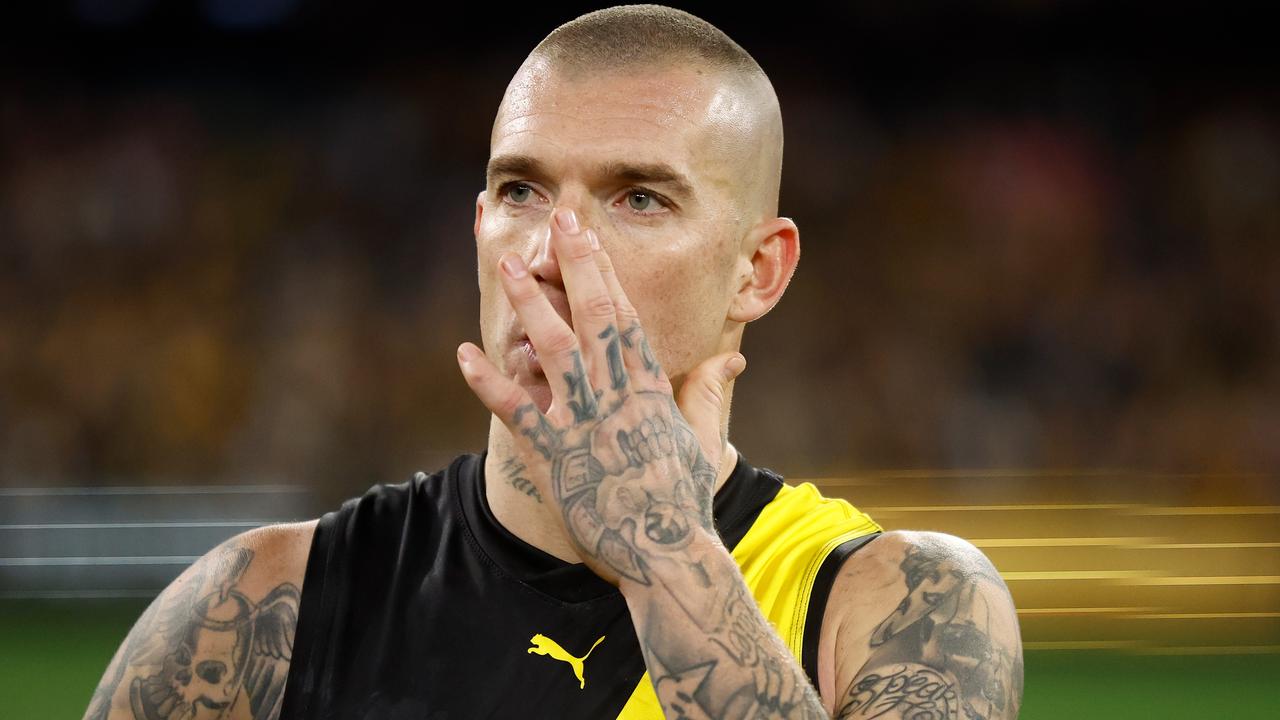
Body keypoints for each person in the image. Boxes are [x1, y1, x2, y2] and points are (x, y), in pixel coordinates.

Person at [85, 5, 1023, 719]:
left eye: (640, 199)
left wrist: (668, 556)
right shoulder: (261, 606)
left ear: (759, 270)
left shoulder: (897, 599)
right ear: (480, 224)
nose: (548, 254)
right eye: (521, 190)